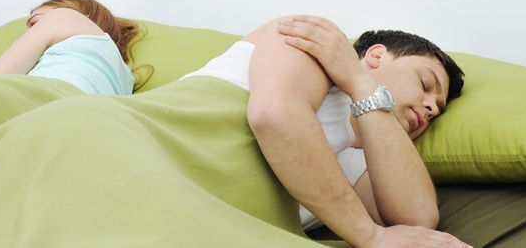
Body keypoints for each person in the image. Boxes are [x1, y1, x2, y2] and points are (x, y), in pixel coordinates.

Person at [182, 15, 470, 248]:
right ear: (376, 55)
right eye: (425, 83)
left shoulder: (357, 162)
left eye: (438, 108)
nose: (432, 106)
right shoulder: (308, 42)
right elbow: (272, 114)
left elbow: (417, 218)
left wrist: (363, 88)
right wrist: (370, 236)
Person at [0, 0, 149, 95]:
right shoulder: (126, 79)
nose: (28, 36)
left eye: (35, 24)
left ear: (84, 16)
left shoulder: (63, 17)